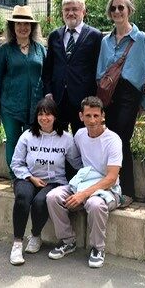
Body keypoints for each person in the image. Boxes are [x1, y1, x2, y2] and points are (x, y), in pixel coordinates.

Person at [46, 96, 123, 268]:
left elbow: (111, 178)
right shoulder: (80, 135)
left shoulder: (113, 140)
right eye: (88, 116)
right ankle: (67, 241)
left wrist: (83, 194)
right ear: (81, 116)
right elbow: (76, 160)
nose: (92, 120)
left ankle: (97, 248)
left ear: (103, 115)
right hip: (83, 183)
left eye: (96, 115)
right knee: (53, 197)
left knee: (95, 205)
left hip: (108, 189)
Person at [8, 97, 80, 266]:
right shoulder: (27, 136)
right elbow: (16, 163)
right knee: (22, 198)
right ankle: (17, 243)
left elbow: (77, 163)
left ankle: (35, 235)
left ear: (55, 116)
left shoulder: (67, 139)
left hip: (55, 181)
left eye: (48, 114)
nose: (44, 118)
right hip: (28, 177)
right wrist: (30, 178)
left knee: (41, 201)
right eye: (40, 114)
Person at [96, 0, 145, 204]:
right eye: (114, 8)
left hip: (129, 94)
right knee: (109, 139)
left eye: (121, 7)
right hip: (108, 94)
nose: (117, 11)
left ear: (129, 10)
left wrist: (143, 101)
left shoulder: (141, 39)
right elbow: (100, 71)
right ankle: (110, 184)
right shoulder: (105, 41)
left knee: (121, 140)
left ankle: (128, 190)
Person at [42, 0, 103, 178]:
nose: (71, 13)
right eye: (67, 10)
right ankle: (62, 177)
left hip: (82, 101)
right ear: (62, 12)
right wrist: (48, 93)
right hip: (58, 99)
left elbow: (97, 69)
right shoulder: (54, 36)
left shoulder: (95, 36)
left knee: (82, 141)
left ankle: (83, 178)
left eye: (75, 9)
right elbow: (48, 68)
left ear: (83, 11)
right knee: (59, 141)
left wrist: (93, 100)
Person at [0, 5, 46, 180]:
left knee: (32, 143)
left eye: (26, 24)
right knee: (13, 142)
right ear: (12, 27)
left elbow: (47, 76)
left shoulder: (40, 49)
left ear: (32, 27)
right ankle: (15, 177)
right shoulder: (4, 51)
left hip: (35, 106)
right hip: (10, 106)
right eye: (18, 24)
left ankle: (29, 177)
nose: (23, 27)